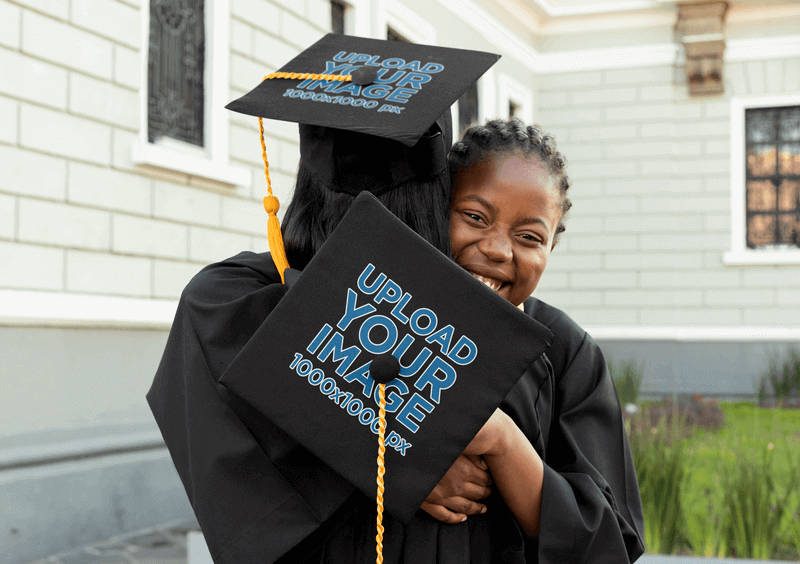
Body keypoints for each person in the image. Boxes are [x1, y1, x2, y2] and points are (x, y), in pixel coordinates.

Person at [147, 34, 506, 564]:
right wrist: (405, 464)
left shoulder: (222, 307)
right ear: (439, 196)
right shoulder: (467, 327)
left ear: (305, 184)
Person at [421, 117, 645, 562]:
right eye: (474, 217)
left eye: (529, 237)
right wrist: (410, 468)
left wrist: (503, 439)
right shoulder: (384, 315)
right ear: (438, 211)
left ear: (550, 250)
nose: (499, 250)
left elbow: (607, 540)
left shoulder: (568, 353)